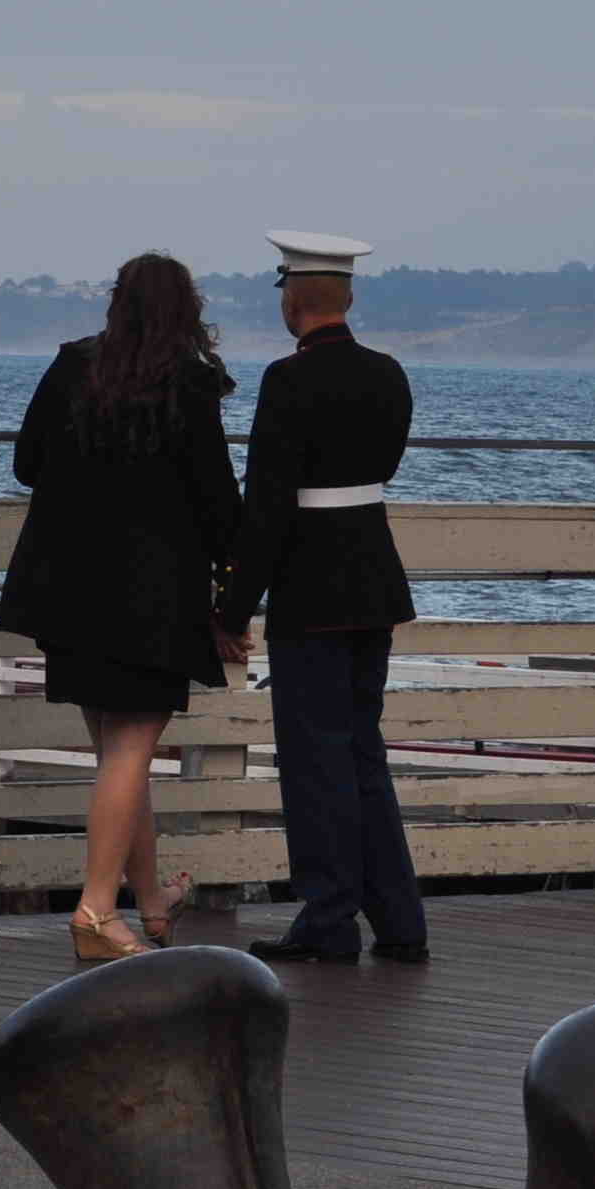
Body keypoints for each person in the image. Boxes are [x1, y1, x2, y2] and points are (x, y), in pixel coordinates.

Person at [0, 254, 241, 961]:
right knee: (131, 751)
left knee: (118, 756)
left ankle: (151, 900)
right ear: (186, 310)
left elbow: (26, 464)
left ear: (116, 302)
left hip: (68, 589)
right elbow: (218, 502)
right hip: (153, 597)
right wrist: (232, 602)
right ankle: (97, 911)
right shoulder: (189, 382)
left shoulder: (73, 364)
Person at [217, 229, 426, 968]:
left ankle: (329, 918)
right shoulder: (389, 374)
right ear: (348, 297)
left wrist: (232, 607)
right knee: (363, 751)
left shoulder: (288, 381)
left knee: (315, 760)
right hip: (374, 578)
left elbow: (267, 506)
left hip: (311, 586)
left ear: (292, 301)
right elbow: (384, 468)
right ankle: (399, 920)